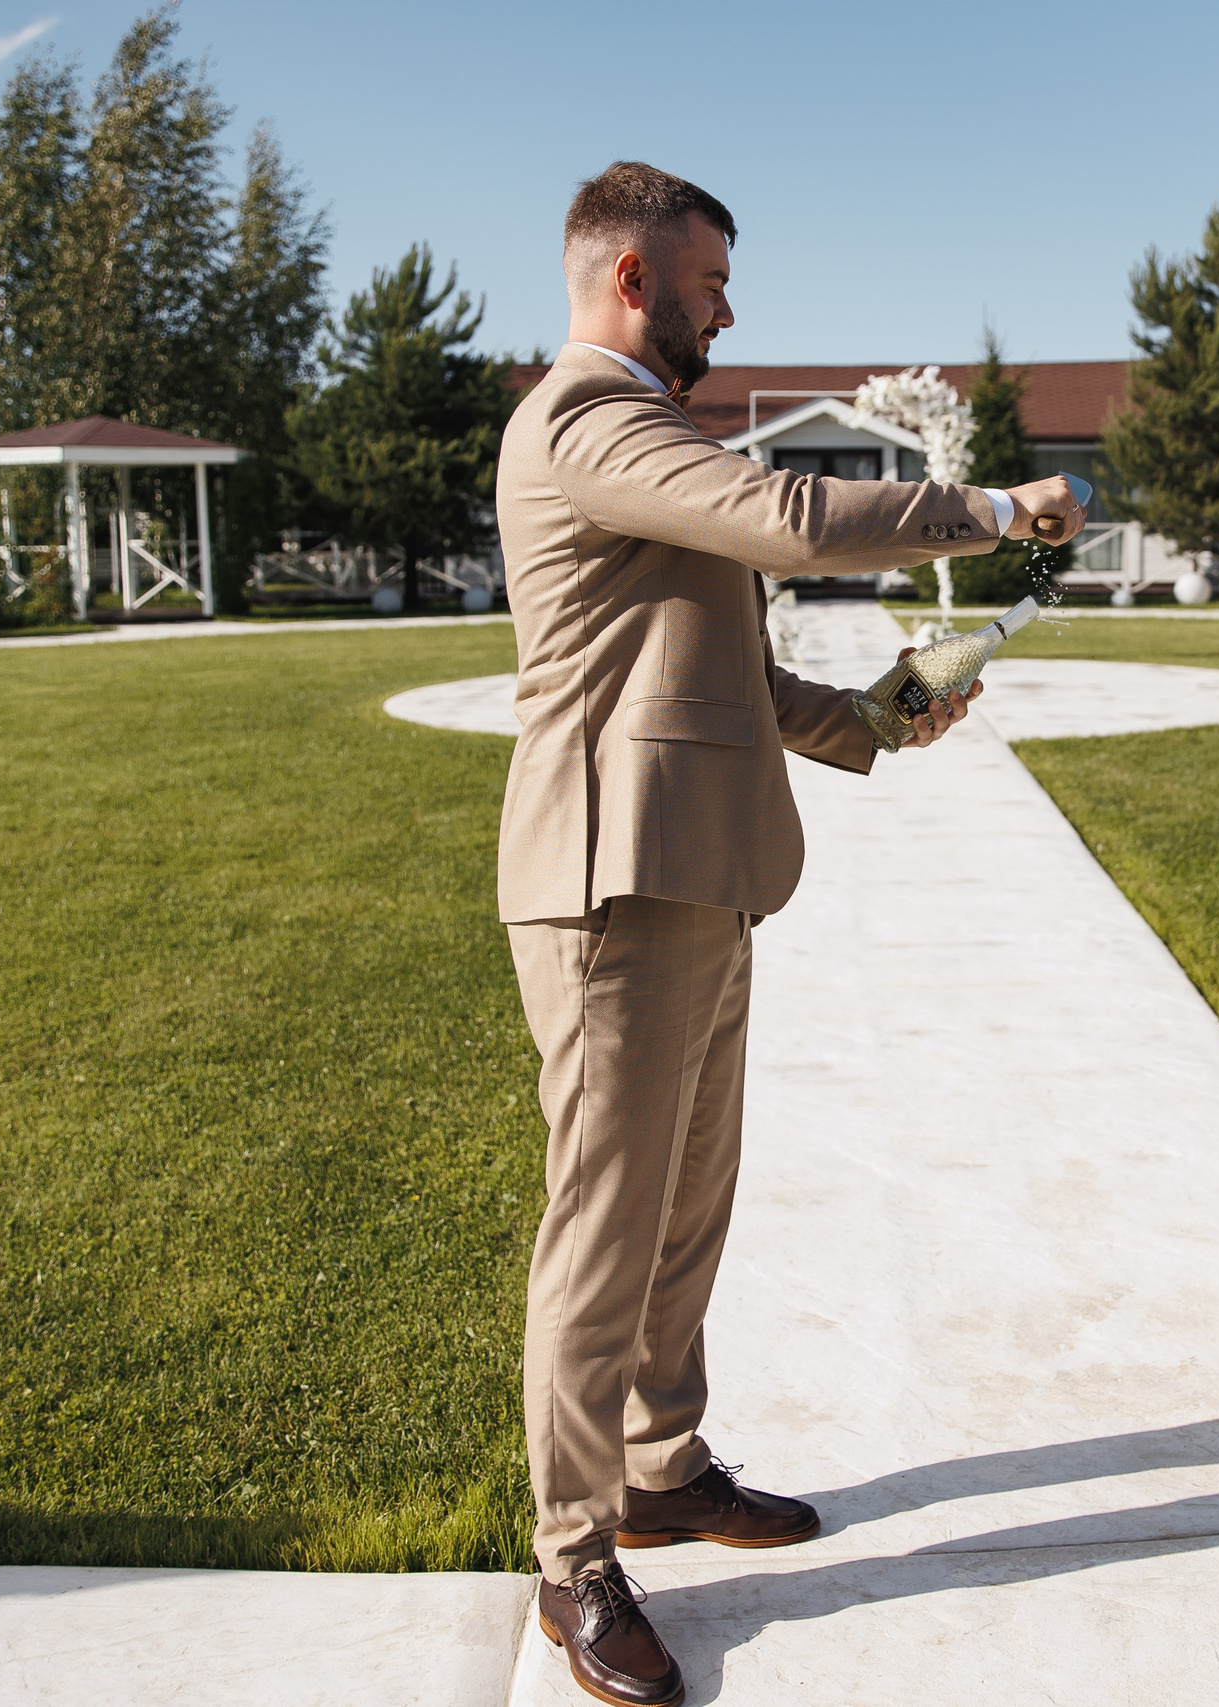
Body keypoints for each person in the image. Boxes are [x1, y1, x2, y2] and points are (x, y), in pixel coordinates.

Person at [494, 160, 1084, 1707]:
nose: (725, 309)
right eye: (707, 286)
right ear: (630, 279)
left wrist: (885, 718)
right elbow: (785, 518)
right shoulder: (587, 421)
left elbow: (725, 677)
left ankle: (661, 1469)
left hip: (701, 873)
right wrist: (987, 507)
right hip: (611, 885)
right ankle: (571, 1561)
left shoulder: (650, 444)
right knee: (607, 1229)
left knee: (690, 1208)